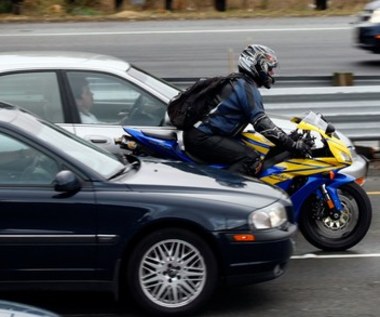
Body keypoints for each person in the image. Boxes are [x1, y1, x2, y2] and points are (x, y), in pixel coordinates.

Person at [183, 44, 311, 177]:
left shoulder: (241, 83)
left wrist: (290, 137)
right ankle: (226, 195)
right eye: (269, 68)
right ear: (257, 66)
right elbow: (263, 124)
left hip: (202, 134)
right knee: (251, 159)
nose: (272, 73)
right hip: (201, 138)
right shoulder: (245, 88)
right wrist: (293, 145)